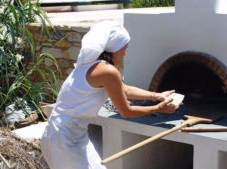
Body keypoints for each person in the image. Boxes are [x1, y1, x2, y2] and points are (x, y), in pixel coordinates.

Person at [41, 21, 179, 169]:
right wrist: (158, 108)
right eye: (124, 49)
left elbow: (123, 90)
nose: (125, 53)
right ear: (114, 48)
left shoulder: (90, 65)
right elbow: (126, 112)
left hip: (64, 134)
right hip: (64, 140)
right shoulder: (107, 71)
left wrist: (156, 96)